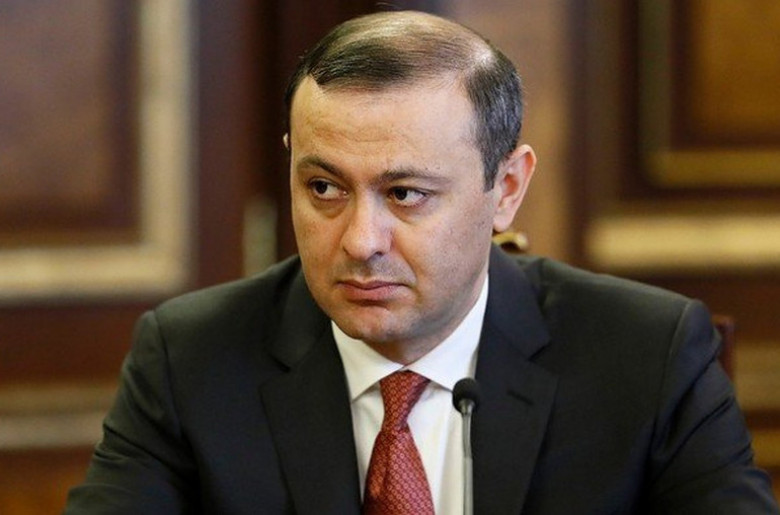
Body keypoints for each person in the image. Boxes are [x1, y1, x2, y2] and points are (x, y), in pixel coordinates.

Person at [65, 10, 778, 514]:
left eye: (405, 194)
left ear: (506, 189)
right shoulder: (191, 358)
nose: (360, 240)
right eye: (324, 188)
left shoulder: (647, 355)